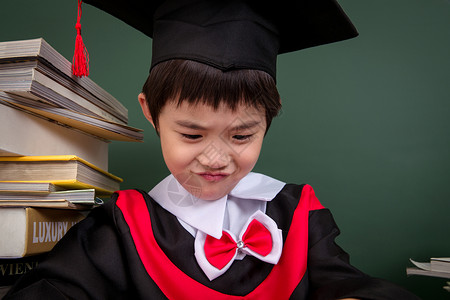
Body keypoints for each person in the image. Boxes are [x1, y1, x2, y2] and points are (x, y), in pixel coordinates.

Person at [5, 0, 420, 299]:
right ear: (151, 113)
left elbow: (346, 281)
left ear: (268, 123)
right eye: (191, 135)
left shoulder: (299, 215)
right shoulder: (120, 230)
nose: (216, 158)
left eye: (241, 136)